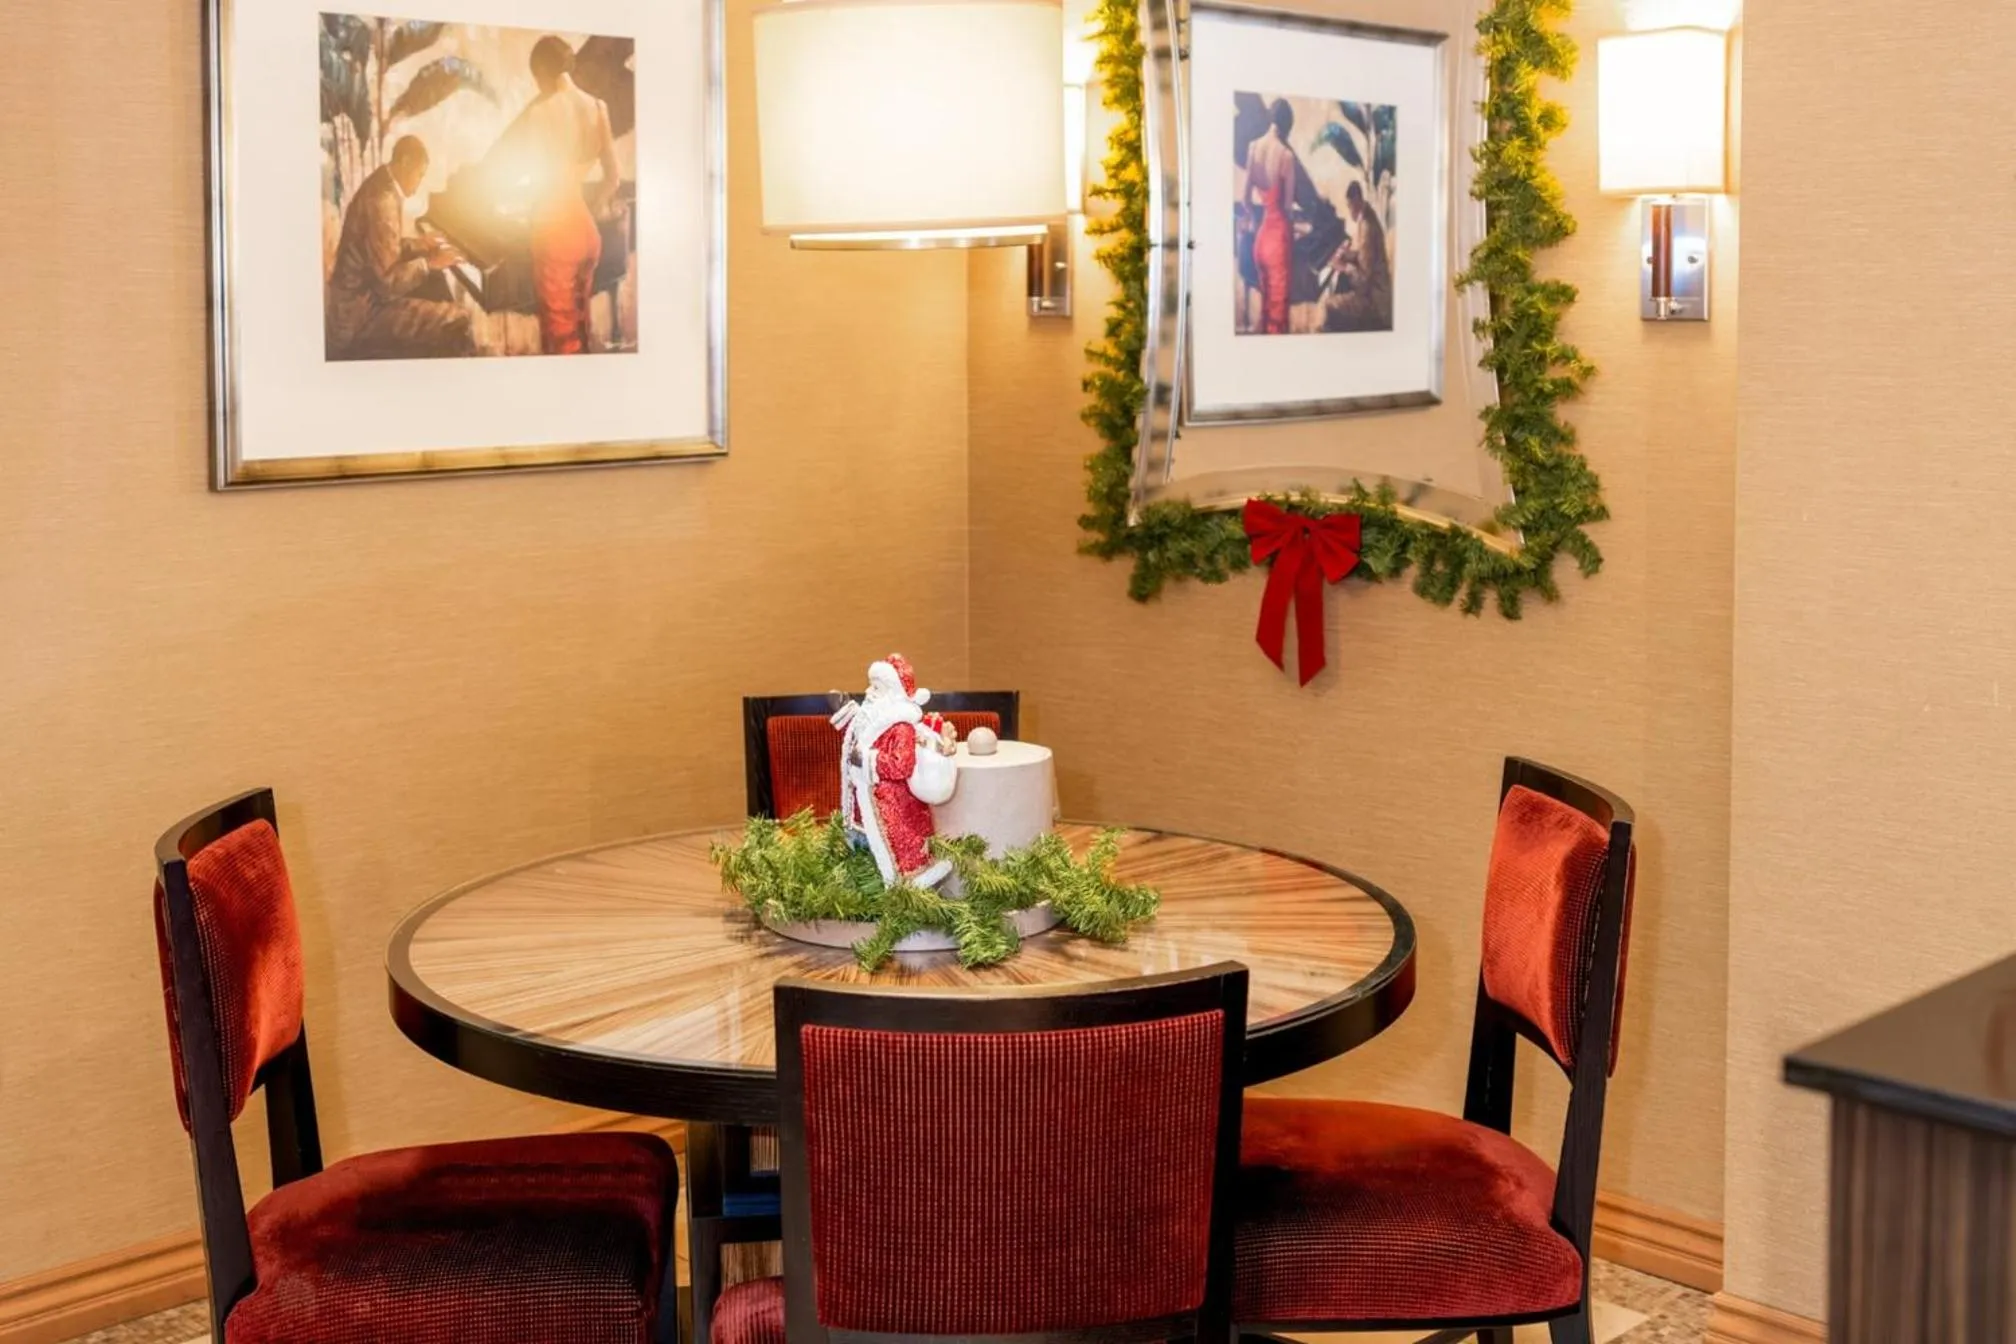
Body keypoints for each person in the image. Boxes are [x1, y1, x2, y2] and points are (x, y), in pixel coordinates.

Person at [484, 36, 623, 355]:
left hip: (554, 235)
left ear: (543, 71)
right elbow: (613, 178)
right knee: (581, 326)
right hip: (587, 234)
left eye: (537, 78)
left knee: (560, 339)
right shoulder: (597, 107)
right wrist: (593, 206)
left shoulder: (537, 113)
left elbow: (530, 178)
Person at [324, 136, 474, 360]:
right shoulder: (382, 200)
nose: (419, 183)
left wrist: (419, 244)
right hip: (359, 316)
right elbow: (387, 284)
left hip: (358, 301)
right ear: (405, 162)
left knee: (435, 284)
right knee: (457, 319)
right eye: (419, 175)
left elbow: (381, 248)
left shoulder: (380, 183)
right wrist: (429, 263)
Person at [1238, 99, 1307, 335]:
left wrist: (1256, 221)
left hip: (1261, 241)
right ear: (1287, 125)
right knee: (1278, 316)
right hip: (1279, 244)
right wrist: (1300, 229)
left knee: (1267, 308)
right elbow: (1287, 208)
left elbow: (1245, 199)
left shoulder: (1253, 148)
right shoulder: (1286, 156)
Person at [1321, 180, 1393, 332]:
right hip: (1373, 291)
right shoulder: (1366, 216)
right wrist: (1348, 255)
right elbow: (1364, 255)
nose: (1349, 211)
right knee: (1340, 285)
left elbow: (1363, 281)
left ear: (1356, 202)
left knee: (1329, 305)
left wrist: (1343, 266)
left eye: (1349, 206)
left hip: (1375, 300)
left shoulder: (1367, 226)